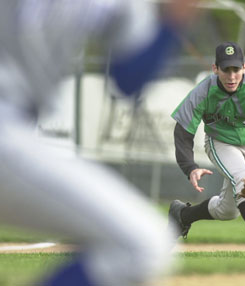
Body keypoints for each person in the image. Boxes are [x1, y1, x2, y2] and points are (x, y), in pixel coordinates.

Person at [0, 0, 197, 285]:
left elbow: (127, 80)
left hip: (14, 130)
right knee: (141, 246)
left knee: (140, 246)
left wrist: (173, 21)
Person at [168, 41, 245, 258]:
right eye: (225, 69)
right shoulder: (203, 92)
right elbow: (183, 133)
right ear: (215, 68)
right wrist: (190, 167)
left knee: (228, 211)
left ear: (244, 67)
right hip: (221, 143)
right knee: (243, 181)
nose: (231, 76)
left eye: (236, 69)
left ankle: (182, 215)